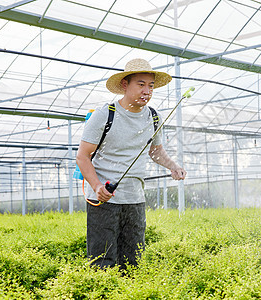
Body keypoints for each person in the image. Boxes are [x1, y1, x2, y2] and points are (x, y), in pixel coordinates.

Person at [76, 58, 186, 270]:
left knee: (133, 261)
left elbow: (156, 151)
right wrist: (98, 186)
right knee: (102, 262)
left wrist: (173, 165)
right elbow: (83, 156)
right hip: (104, 200)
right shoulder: (104, 115)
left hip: (135, 199)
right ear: (125, 85)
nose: (147, 91)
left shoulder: (153, 117)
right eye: (141, 84)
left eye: (151, 85)